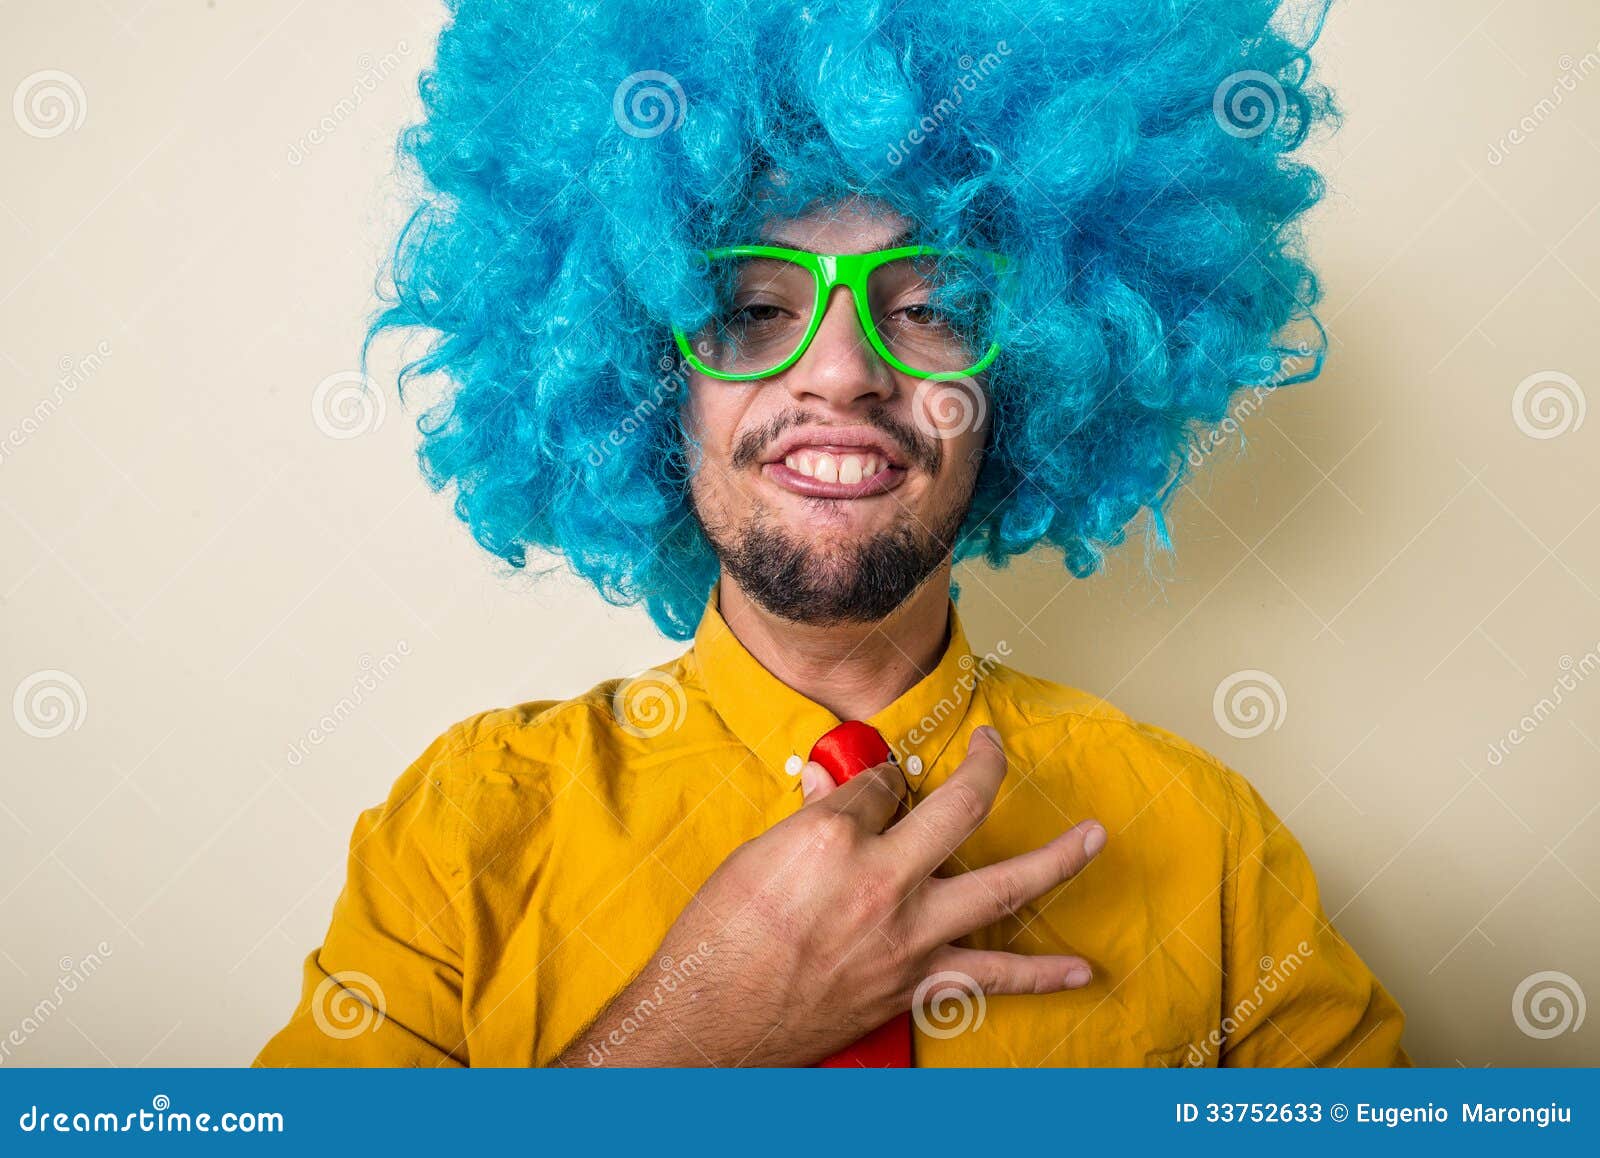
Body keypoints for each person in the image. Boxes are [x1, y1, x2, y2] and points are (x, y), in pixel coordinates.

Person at [256, 0, 1409, 1066]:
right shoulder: (471, 834)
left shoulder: (1200, 841)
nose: (844, 374)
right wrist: (691, 1031)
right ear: (637, 367)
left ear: (1043, 362)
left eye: (933, 306)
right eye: (754, 309)